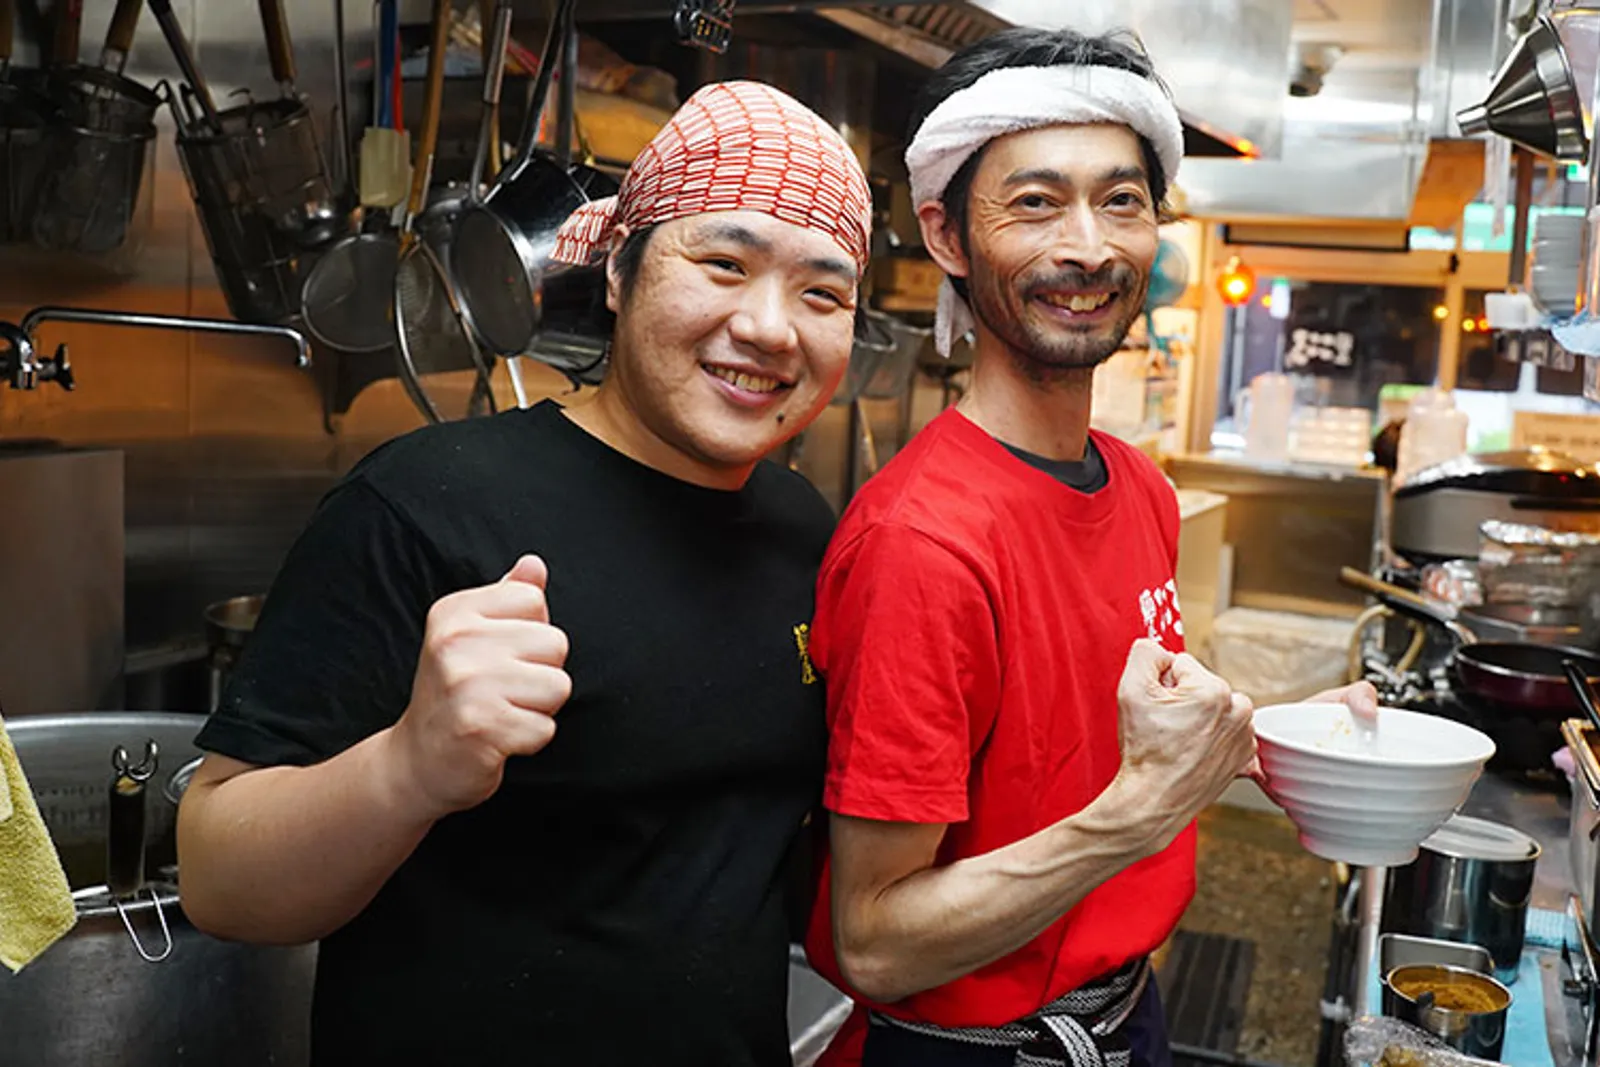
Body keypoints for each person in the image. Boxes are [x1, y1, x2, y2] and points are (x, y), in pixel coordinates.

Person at [175, 80, 872, 1067]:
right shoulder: (427, 501)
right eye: (722, 263)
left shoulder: (803, 528)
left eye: (821, 292)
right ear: (622, 274)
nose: (768, 327)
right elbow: (219, 877)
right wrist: (409, 764)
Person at [800, 29, 1379, 1067]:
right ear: (944, 234)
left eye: (1122, 200)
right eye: (1033, 202)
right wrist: (1139, 813)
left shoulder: (1137, 485)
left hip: (1122, 1019)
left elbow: (1090, 749)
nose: (1090, 247)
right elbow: (875, 941)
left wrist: (1274, 741)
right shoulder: (921, 543)